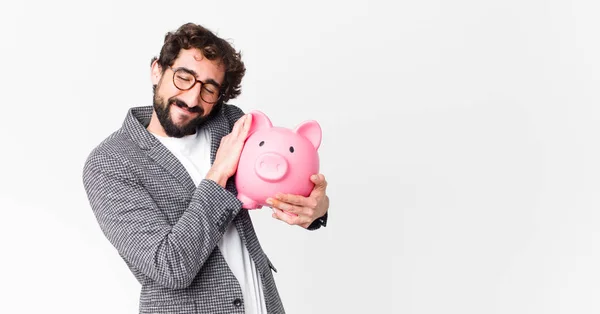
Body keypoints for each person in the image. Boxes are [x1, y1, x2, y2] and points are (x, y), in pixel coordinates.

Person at [82, 22, 329, 314]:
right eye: (184, 78)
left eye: (209, 89)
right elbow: (169, 267)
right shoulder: (110, 163)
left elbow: (279, 181)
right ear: (157, 70)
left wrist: (317, 207)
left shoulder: (230, 125)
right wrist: (217, 175)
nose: (192, 98)